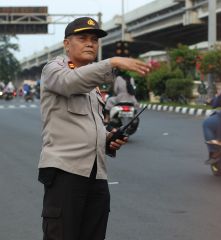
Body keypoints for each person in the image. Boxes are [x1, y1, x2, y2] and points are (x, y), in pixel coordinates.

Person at [38, 17, 151, 240]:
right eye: (83, 38)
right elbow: (70, 83)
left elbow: (90, 124)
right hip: (65, 172)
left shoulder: (92, 84)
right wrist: (113, 62)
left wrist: (108, 138)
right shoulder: (53, 70)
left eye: (94, 40)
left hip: (96, 174)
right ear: (66, 44)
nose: (90, 43)